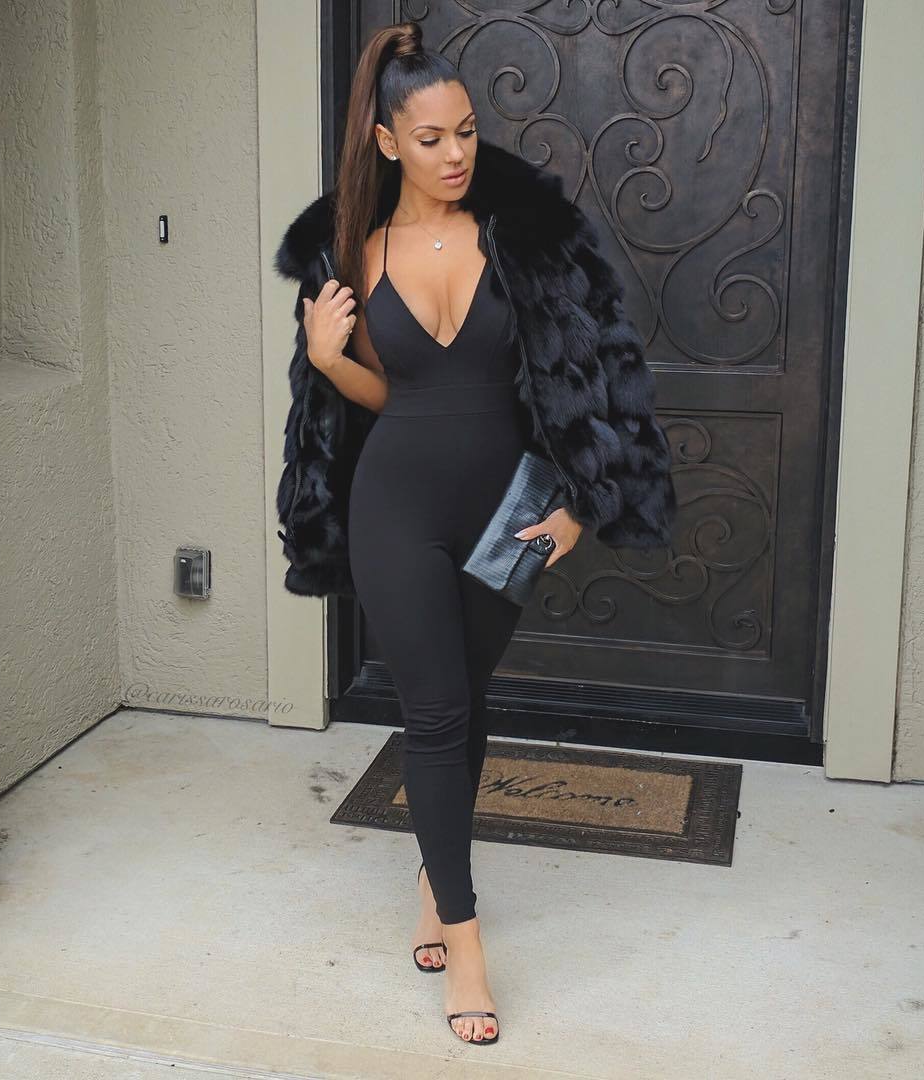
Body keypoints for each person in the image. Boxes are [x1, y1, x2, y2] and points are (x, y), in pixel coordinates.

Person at [273, 21, 676, 1048]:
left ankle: (431, 872)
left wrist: (581, 504)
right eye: (432, 138)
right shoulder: (355, 252)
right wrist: (329, 360)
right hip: (396, 508)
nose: (456, 153)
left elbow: (589, 376)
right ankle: (467, 941)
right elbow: (388, 397)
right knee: (437, 712)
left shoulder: (524, 238)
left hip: (508, 515)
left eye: (466, 131)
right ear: (386, 142)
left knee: (466, 697)